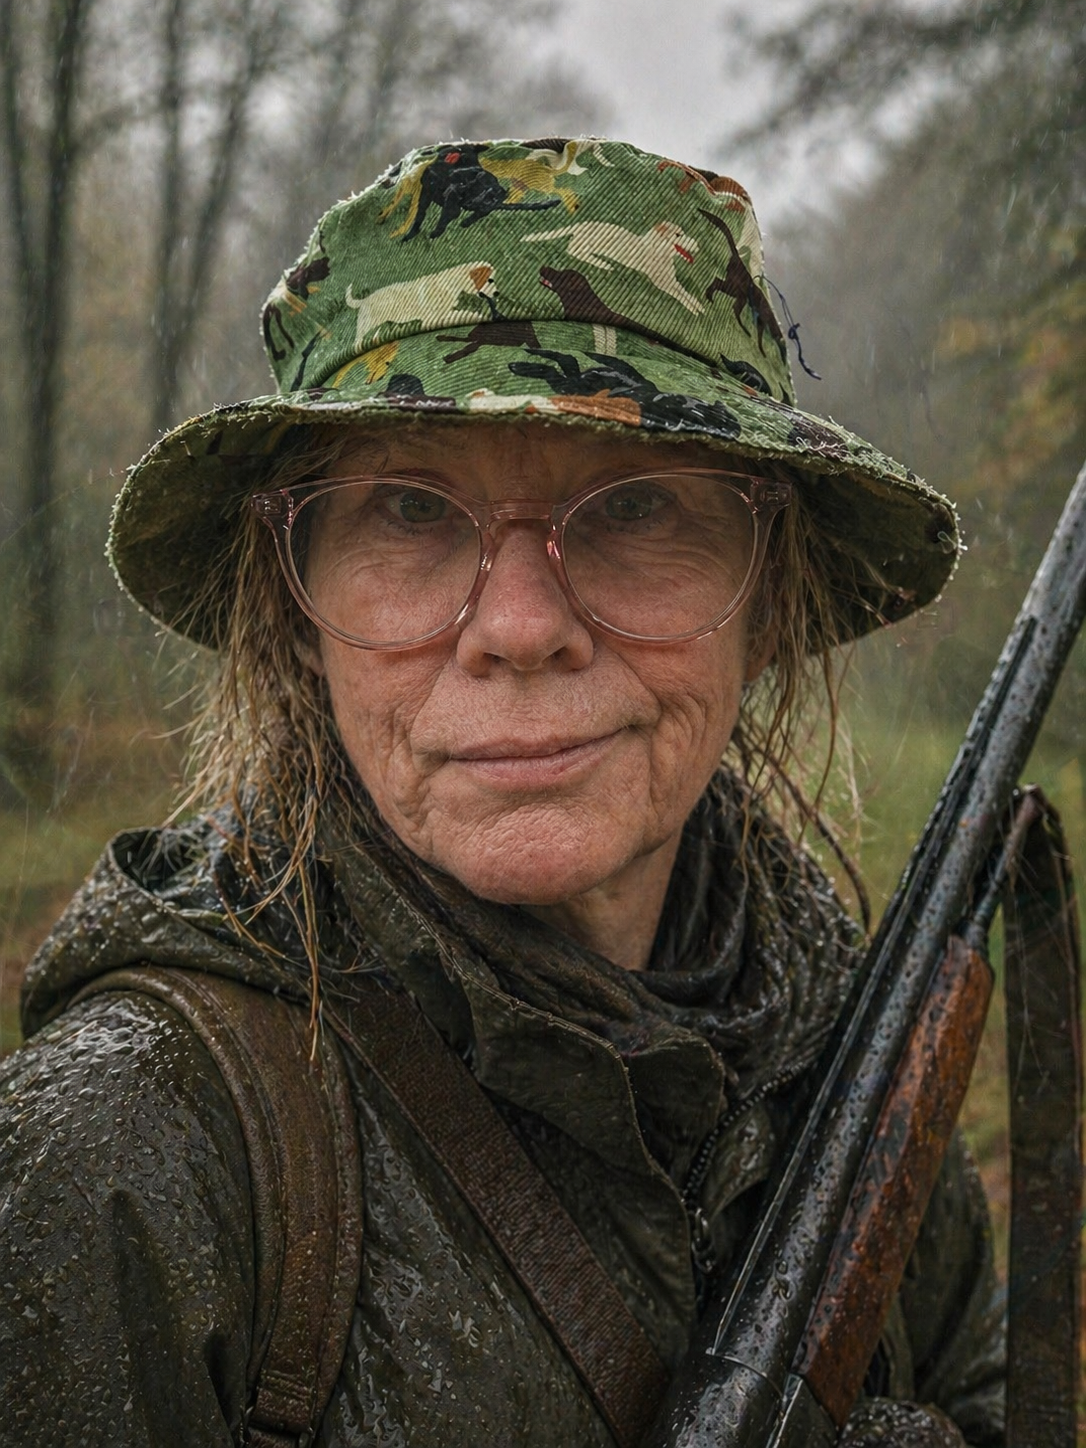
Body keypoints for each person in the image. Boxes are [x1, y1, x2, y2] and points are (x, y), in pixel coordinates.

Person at [0, 138, 1002, 1447]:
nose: (520, 624)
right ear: (294, 612)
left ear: (767, 597)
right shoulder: (124, 1159)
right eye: (411, 515)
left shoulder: (860, 1073)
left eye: (636, 506)